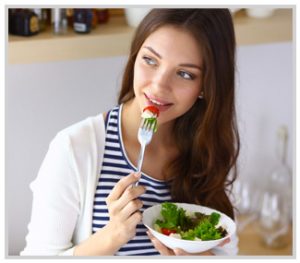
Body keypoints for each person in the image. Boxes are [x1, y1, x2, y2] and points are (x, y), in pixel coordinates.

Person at [21, 8, 240, 256]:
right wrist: (111, 237)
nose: (158, 86)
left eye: (184, 74)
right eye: (150, 60)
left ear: (206, 86)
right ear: (134, 56)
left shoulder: (207, 148)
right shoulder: (74, 148)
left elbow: (227, 249)